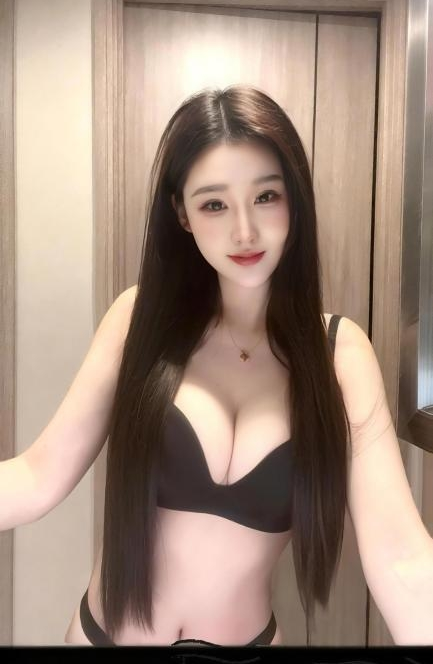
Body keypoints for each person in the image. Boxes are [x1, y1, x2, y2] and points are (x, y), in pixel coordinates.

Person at [2, 85, 433, 647]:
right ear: (182, 213)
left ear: (294, 201)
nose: (244, 231)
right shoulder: (138, 320)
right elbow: (36, 477)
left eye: (266, 196)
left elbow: (403, 559)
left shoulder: (340, 356)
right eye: (214, 204)